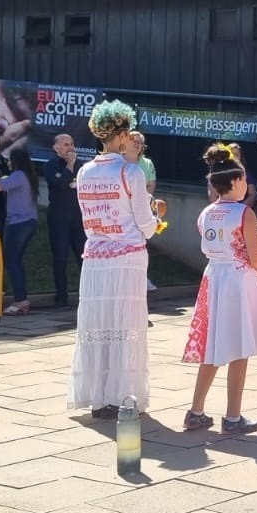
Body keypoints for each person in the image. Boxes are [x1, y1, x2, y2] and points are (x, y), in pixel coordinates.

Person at [68, 100, 160, 419]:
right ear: (122, 133)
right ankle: (123, 396)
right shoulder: (130, 171)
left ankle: (98, 398)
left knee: (98, 325)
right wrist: (155, 220)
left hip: (95, 257)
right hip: (127, 256)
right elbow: (145, 225)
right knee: (125, 327)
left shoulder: (84, 170)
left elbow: (87, 216)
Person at [182, 144, 257, 434]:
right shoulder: (243, 213)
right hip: (238, 278)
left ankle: (196, 409)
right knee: (239, 347)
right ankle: (233, 416)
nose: (247, 184)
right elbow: (255, 254)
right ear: (235, 182)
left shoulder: (207, 212)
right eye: (244, 178)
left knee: (213, 345)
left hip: (214, 277)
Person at [0, 147, 40, 316]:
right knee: (16, 261)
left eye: (10, 160)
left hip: (19, 223)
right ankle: (22, 299)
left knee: (12, 261)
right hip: (29, 221)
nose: (8, 162)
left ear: (16, 161)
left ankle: (20, 300)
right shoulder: (27, 176)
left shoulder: (18, 175)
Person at [45, 133, 86, 308]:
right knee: (60, 258)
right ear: (56, 148)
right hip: (59, 219)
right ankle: (61, 296)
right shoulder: (51, 165)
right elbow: (60, 184)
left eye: (72, 144)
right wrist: (69, 165)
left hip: (78, 219)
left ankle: (87, 294)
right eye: (66, 145)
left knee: (84, 257)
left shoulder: (82, 167)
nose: (70, 148)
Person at [122, 131, 159, 293]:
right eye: (134, 141)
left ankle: (142, 278)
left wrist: (143, 199)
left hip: (143, 207)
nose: (137, 144)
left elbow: (150, 185)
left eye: (140, 142)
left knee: (141, 244)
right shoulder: (119, 161)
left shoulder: (147, 163)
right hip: (123, 209)